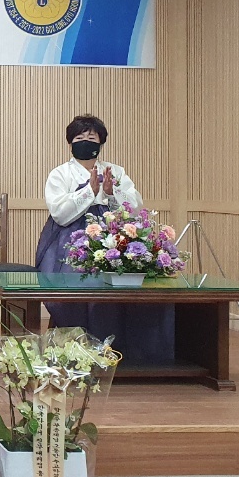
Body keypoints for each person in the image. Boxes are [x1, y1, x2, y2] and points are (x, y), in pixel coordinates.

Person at [35, 114, 174, 364]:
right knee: (74, 281)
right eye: (79, 138)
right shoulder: (60, 174)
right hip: (68, 240)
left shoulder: (116, 171)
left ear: (101, 143)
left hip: (113, 234)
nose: (85, 142)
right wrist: (89, 191)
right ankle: (79, 348)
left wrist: (112, 192)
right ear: (70, 143)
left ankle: (130, 351)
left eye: (91, 138)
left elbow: (134, 208)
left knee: (134, 279)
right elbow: (60, 214)